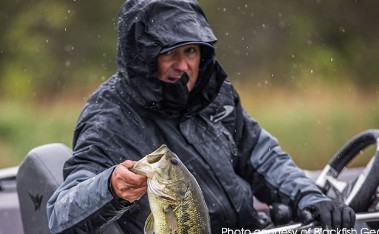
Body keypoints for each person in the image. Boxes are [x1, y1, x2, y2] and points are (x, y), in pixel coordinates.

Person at [47, 0, 355, 233]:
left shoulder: (213, 92)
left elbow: (263, 157)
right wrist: (110, 187)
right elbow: (60, 214)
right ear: (141, 57)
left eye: (191, 51)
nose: (183, 67)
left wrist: (309, 197)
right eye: (169, 53)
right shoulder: (108, 119)